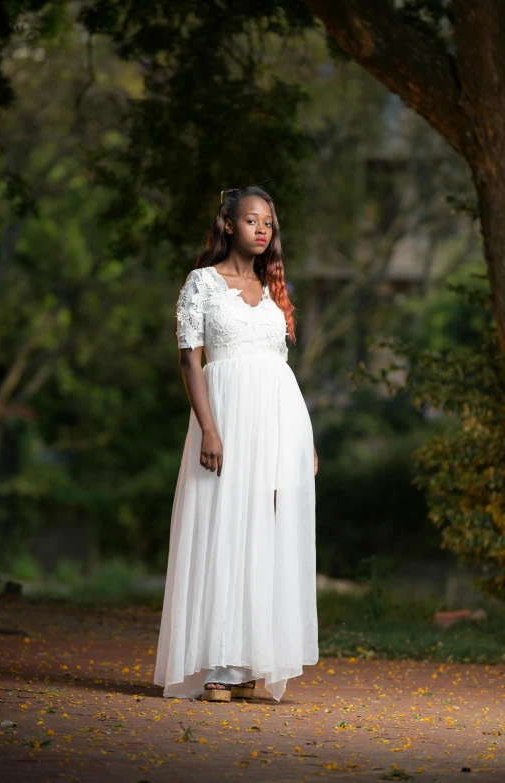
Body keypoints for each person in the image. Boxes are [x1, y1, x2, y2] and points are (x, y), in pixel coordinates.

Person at [154, 185, 319, 703]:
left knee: (263, 535)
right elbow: (191, 360)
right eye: (251, 220)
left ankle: (247, 661)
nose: (262, 229)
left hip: (277, 424)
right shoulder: (201, 283)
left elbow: (280, 371)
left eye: (268, 221)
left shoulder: (274, 290)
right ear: (228, 225)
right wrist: (208, 427)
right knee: (222, 528)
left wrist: (302, 440)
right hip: (225, 422)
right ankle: (218, 667)